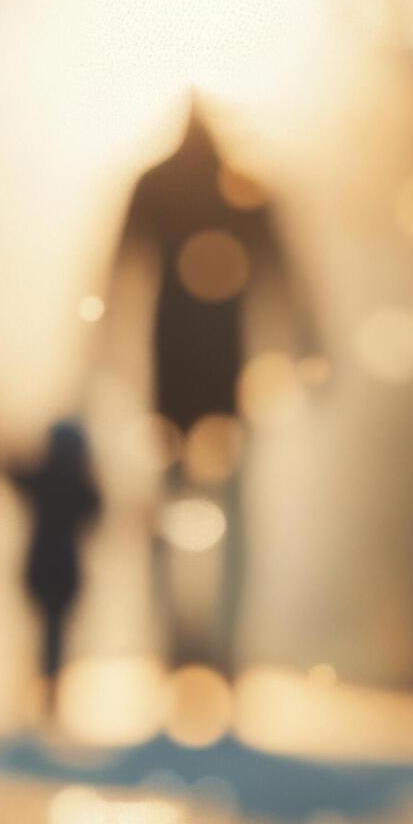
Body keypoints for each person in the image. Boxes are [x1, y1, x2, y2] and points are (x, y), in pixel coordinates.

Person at [104, 98, 320, 670]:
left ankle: (176, 638)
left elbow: (115, 274)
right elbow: (287, 275)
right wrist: (310, 346)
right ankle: (222, 641)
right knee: (234, 512)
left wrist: (102, 359)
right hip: (224, 375)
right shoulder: (240, 186)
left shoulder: (157, 183)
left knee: (173, 508)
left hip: (173, 374)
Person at [11, 419, 102, 708]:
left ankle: (48, 681)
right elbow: (95, 512)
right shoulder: (81, 485)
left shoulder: (45, 479)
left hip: (44, 564)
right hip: (63, 566)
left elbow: (16, 476)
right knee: (55, 629)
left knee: (49, 629)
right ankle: (51, 682)